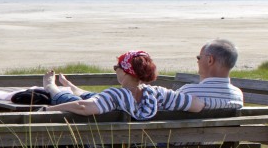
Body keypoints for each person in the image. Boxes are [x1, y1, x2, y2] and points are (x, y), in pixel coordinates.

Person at [45, 50, 205, 120]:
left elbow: (82, 107)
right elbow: (197, 105)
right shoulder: (158, 94)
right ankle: (73, 87)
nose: (115, 70)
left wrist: (47, 109)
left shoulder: (117, 96)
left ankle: (51, 88)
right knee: (91, 97)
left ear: (126, 72)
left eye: (117, 67)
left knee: (68, 99)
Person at [176, 38, 243, 109]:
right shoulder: (237, 95)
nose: (198, 61)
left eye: (199, 57)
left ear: (210, 60)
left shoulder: (188, 92)